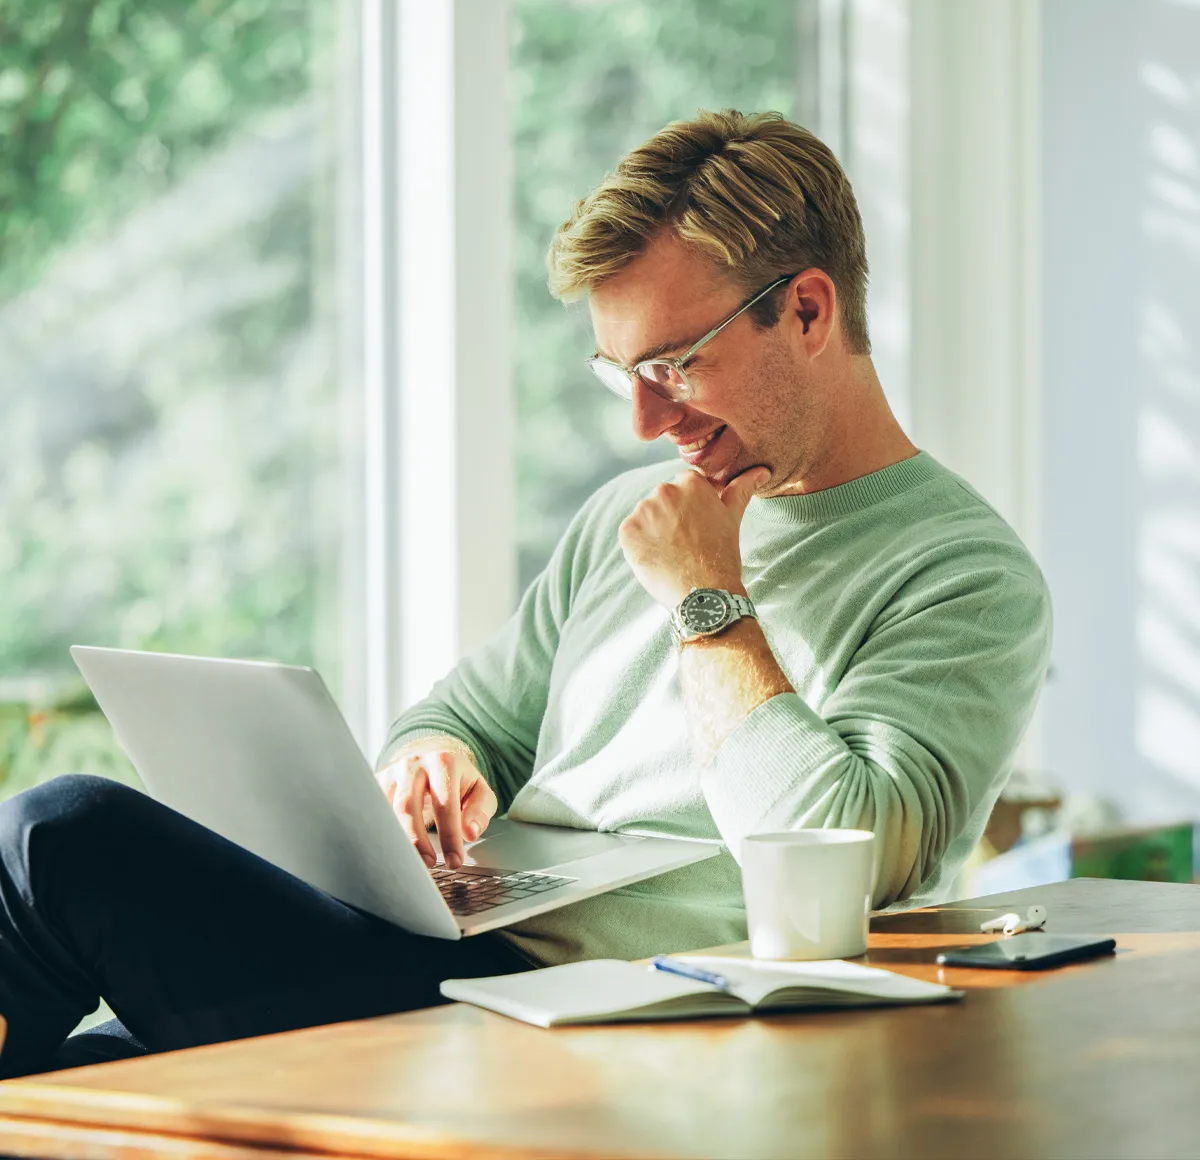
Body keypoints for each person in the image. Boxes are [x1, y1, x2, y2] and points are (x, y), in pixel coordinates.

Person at [0, 110, 1050, 1077]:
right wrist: (429, 763)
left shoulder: (964, 577)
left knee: (63, 832)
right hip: (440, 949)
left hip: (593, 1011)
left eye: (678, 365)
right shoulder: (625, 518)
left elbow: (844, 856)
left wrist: (706, 598)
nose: (645, 421)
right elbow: (465, 717)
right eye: (620, 371)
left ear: (808, 310)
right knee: (57, 1074)